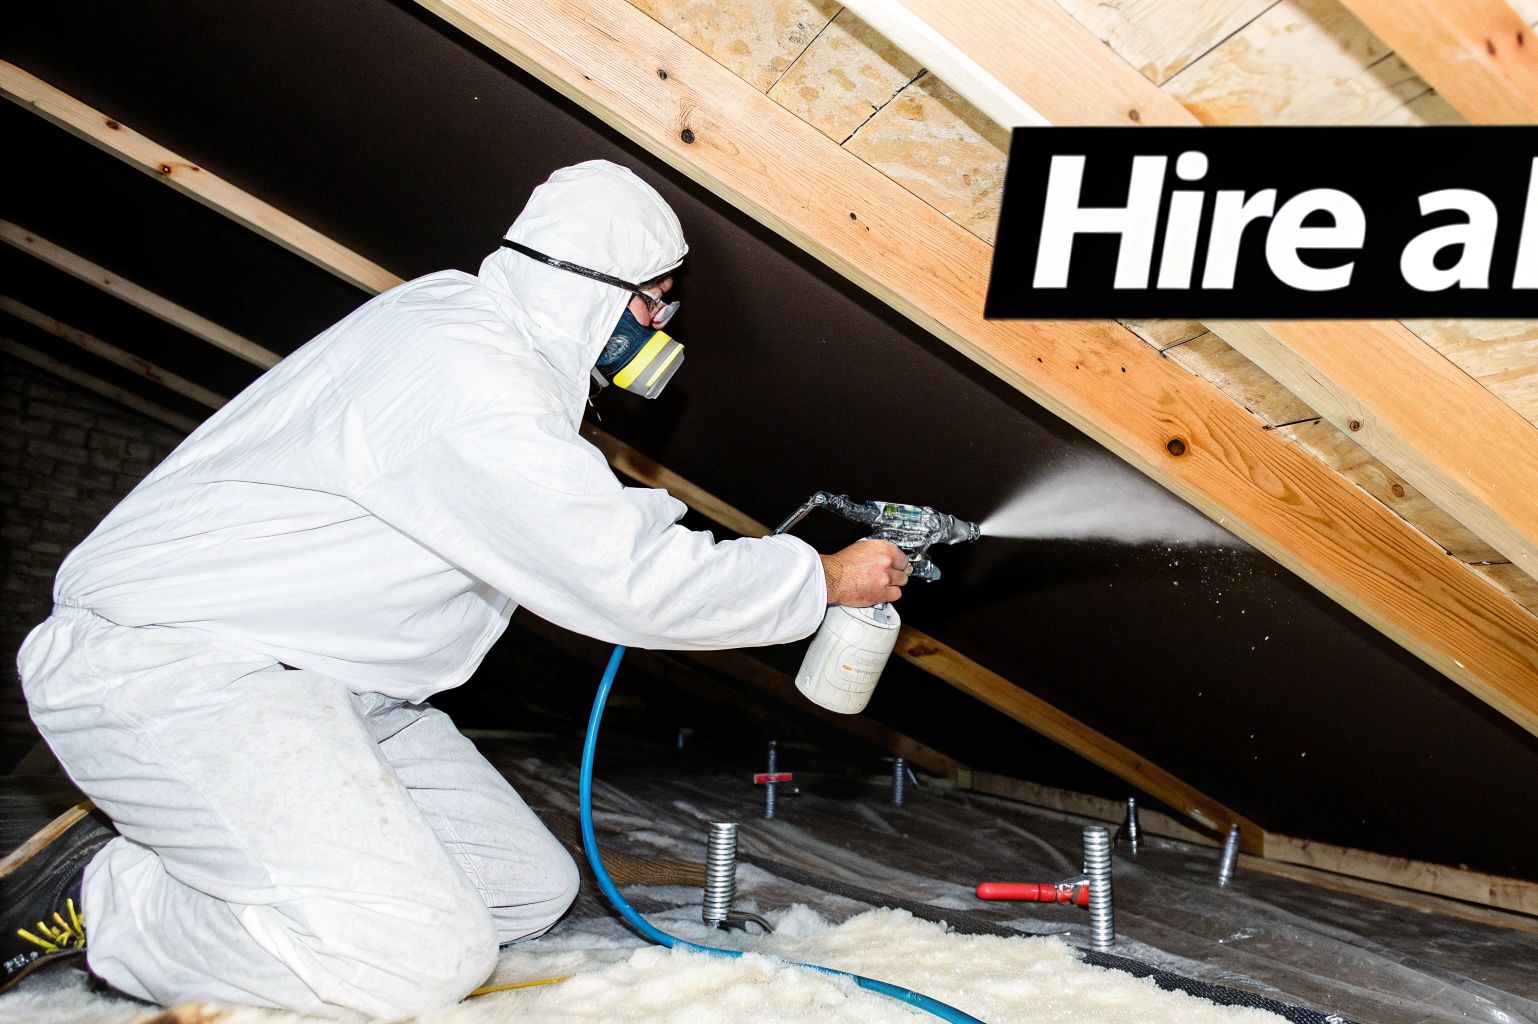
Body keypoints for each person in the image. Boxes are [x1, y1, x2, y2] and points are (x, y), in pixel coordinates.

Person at [1, 161, 908, 1015]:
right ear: (592, 288)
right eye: (653, 302)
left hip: (338, 687)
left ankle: (211, 860)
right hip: (189, 666)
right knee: (414, 957)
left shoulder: (473, 332)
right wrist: (821, 577)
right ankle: (112, 898)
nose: (659, 328)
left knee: (522, 892)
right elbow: (623, 574)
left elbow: (578, 521)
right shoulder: (466, 372)